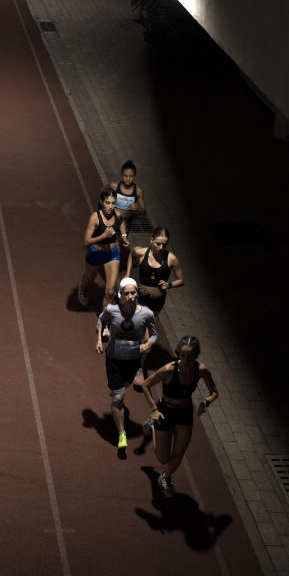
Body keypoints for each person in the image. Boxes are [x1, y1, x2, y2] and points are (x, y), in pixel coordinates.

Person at [141, 336, 219, 497]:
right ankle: (153, 423)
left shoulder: (201, 370)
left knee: (179, 453)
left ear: (196, 355)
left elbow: (214, 392)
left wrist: (207, 401)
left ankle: (165, 477)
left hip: (184, 412)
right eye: (182, 355)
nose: (186, 359)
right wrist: (154, 409)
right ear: (178, 354)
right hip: (164, 411)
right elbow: (145, 385)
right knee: (163, 458)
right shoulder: (169, 369)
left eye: (190, 355)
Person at [96, 277, 158, 457]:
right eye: (127, 294)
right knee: (118, 397)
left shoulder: (146, 314)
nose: (131, 296)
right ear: (120, 295)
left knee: (124, 388)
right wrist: (99, 339)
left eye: (133, 293)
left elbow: (154, 334)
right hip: (114, 359)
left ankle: (138, 370)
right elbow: (101, 320)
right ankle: (122, 433)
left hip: (133, 360)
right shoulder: (111, 310)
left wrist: (149, 345)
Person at [125, 226, 184, 383]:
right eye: (158, 243)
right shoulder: (140, 252)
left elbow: (181, 280)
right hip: (141, 298)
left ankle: (134, 357)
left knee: (141, 332)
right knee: (146, 337)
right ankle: (139, 365)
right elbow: (130, 255)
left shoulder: (171, 259)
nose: (161, 247)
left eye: (164, 244)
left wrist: (169, 285)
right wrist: (127, 274)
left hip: (157, 302)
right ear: (151, 241)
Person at [78, 186, 129, 310]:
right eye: (107, 203)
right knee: (89, 279)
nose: (110, 207)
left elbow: (121, 222)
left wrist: (123, 236)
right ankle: (83, 288)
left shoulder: (118, 214)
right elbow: (86, 241)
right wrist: (104, 235)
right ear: (101, 202)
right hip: (95, 253)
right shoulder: (95, 217)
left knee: (111, 291)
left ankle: (104, 323)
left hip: (112, 254)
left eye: (113, 203)